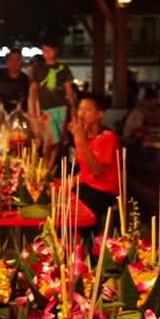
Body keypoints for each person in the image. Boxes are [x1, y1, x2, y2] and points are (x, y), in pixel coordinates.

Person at [69, 93, 121, 236]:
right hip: (87, 186)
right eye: (80, 109)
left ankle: (88, 250)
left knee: (75, 217)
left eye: (88, 110)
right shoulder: (84, 136)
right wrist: (74, 179)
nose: (82, 114)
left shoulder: (107, 137)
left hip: (103, 190)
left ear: (99, 114)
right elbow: (85, 169)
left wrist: (79, 139)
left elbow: (97, 171)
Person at [30, 42, 77, 162]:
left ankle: (49, 168)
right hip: (46, 109)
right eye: (44, 50)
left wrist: (73, 108)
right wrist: (33, 111)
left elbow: (68, 89)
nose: (46, 53)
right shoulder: (38, 68)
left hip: (61, 108)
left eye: (49, 50)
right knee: (50, 140)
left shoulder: (63, 68)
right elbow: (33, 90)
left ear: (55, 50)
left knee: (58, 140)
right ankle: (45, 165)